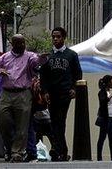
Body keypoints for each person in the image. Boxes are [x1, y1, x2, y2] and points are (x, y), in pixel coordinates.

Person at [0, 34, 40, 162]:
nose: (21, 46)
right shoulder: (5, 57)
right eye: (18, 43)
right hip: (6, 92)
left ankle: (17, 153)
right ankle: (9, 147)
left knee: (22, 125)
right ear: (13, 44)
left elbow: (36, 63)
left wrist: (40, 60)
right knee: (2, 120)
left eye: (23, 43)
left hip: (23, 93)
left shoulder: (30, 56)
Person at [38, 26, 82, 162]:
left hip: (65, 93)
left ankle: (58, 149)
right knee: (54, 122)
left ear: (64, 38)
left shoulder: (71, 55)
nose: (55, 39)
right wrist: (44, 92)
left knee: (60, 120)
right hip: (51, 94)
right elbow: (43, 76)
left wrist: (74, 88)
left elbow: (77, 73)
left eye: (58, 37)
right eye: (54, 37)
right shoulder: (48, 56)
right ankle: (61, 151)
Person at [95, 75, 112, 161]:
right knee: (102, 137)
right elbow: (102, 101)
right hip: (105, 118)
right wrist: (110, 97)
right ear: (108, 82)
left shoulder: (110, 91)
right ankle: (99, 158)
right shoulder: (102, 92)